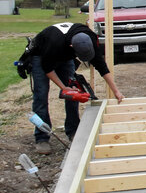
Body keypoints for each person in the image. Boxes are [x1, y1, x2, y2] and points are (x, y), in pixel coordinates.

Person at [30, 22, 125, 154]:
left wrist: (116, 91)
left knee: (74, 92)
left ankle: (73, 130)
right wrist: (64, 88)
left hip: (65, 55)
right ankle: (41, 138)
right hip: (41, 55)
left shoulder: (90, 38)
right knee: (41, 95)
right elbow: (48, 69)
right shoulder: (54, 43)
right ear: (72, 47)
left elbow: (102, 67)